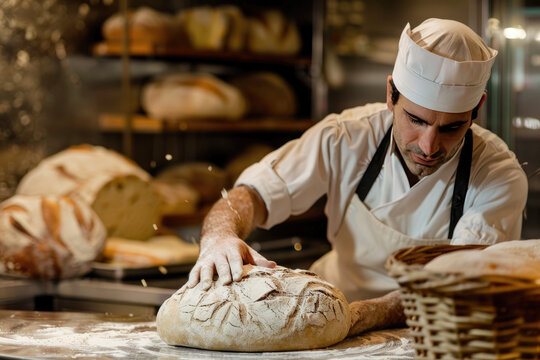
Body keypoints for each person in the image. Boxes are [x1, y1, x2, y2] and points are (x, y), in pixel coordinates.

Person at [186, 18, 528, 336]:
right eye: (416, 120)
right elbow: (253, 193)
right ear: (391, 94)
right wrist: (220, 235)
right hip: (330, 303)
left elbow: (453, 286)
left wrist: (359, 317)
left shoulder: (496, 175)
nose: (429, 145)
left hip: (431, 331)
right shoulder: (346, 138)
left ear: (477, 108)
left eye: (452, 127)